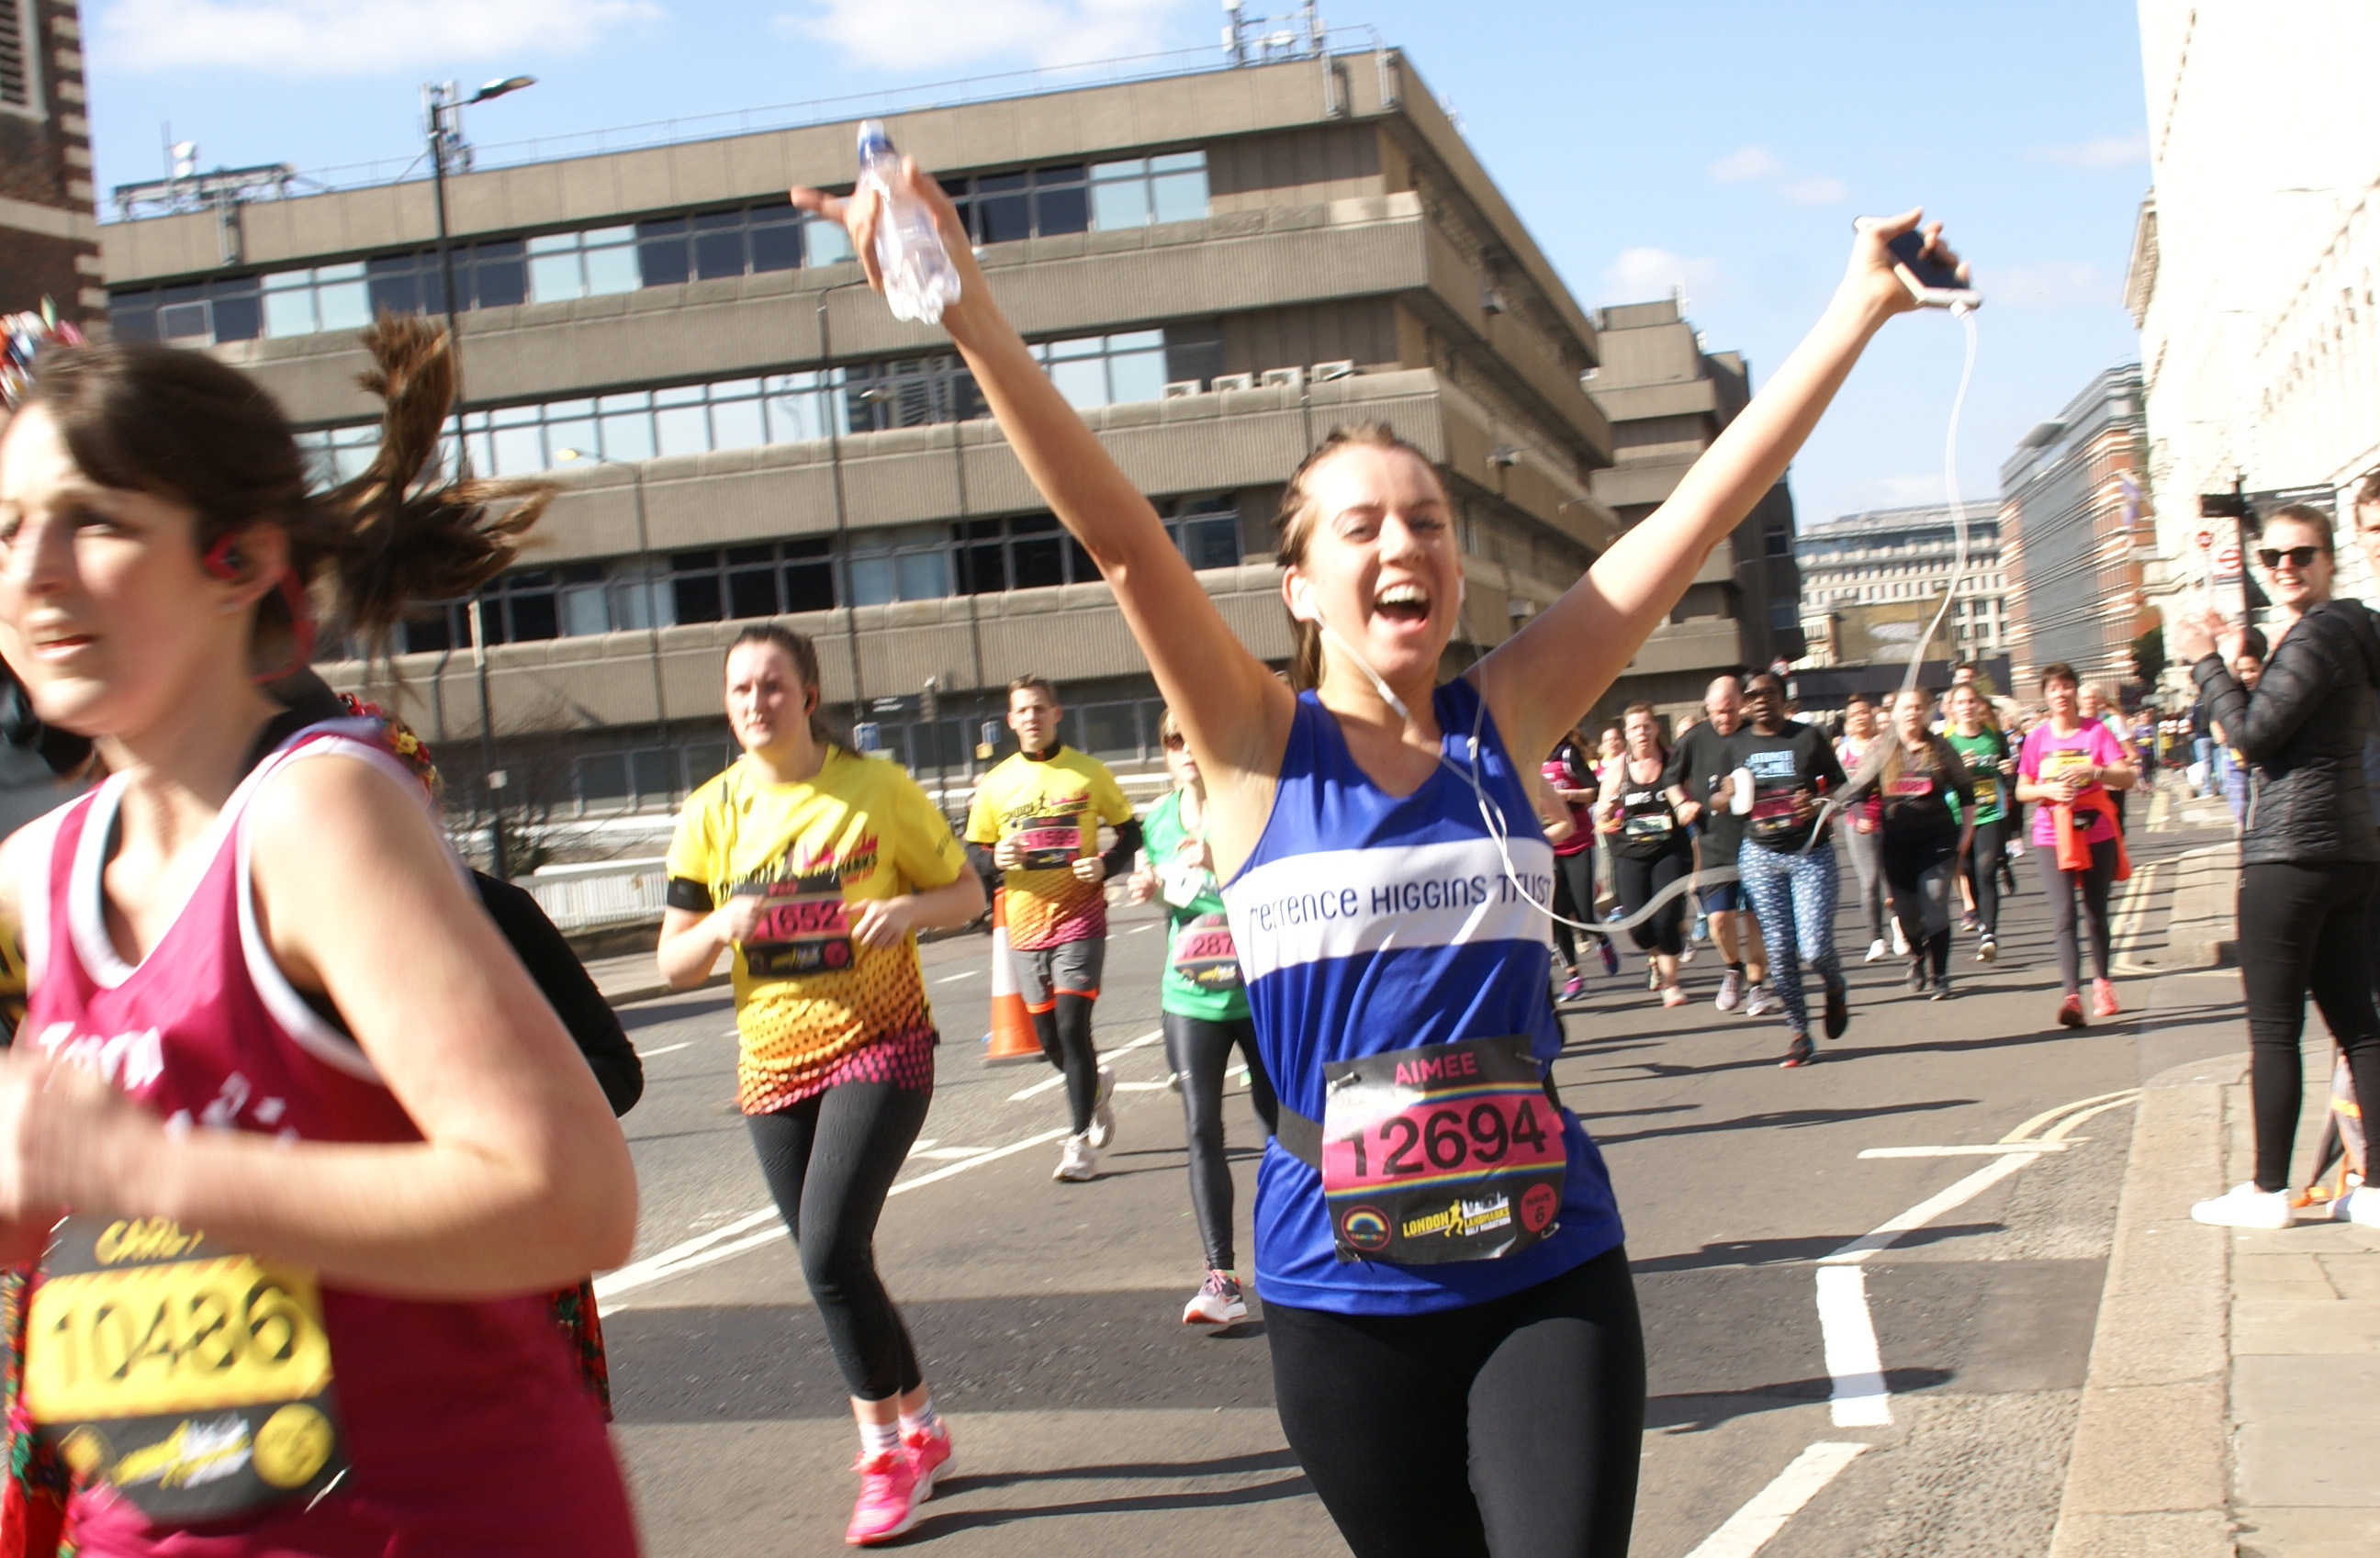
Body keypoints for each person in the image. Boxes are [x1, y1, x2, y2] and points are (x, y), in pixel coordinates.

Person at [799, 156, 1957, 1556]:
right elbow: (1117, 542)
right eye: (1363, 527)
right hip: (1338, 1289)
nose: (1405, 543)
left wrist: (1855, 307)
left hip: (1547, 1255)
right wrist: (966, 308)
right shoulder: (1246, 740)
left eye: (1429, 522)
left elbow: (1696, 512)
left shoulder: (1508, 717)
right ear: (1300, 587)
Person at [0, 319, 638, 1552]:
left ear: (236, 560)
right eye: (7, 525)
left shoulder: (318, 816)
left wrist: (146, 1171)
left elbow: (571, 1196)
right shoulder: (34, 878)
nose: (33, 573)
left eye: (95, 521)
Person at [658, 623, 984, 1542]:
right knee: (841, 1264)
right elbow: (673, 961)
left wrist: (907, 907)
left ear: (808, 693)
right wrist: (723, 924)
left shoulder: (875, 789)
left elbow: (967, 892)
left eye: (771, 685)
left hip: (880, 1040)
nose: (755, 702)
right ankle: (922, 1424)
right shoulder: (710, 811)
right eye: (739, 689)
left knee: (829, 1250)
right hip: (771, 1059)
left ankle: (883, 1458)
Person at [2178, 505, 2380, 1229]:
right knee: (2359, 1024)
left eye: (2301, 554)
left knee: (2274, 1030)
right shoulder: (2358, 631)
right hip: (2352, 848)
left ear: (2329, 560)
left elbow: (2255, 737)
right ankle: (2377, 1189)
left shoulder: (2316, 633)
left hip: (2289, 852)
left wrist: (2203, 660)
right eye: (2273, 557)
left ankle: (2267, 1193)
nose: (2285, 567)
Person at [1128, 707, 1280, 1323]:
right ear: (1164, 751)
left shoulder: (1248, 802)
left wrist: (1222, 863)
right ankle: (1221, 1277)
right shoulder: (1158, 820)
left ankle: (1308, 1247)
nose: (1186, 747)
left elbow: (1278, 883)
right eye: (1173, 739)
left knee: (1282, 1125)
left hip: (1260, 990)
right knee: (1201, 1128)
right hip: (1190, 993)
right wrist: (1151, 889)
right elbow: (1177, 898)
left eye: (1196, 733)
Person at [963, 675, 1140, 1181]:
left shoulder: (1088, 773)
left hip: (1080, 918)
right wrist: (994, 857)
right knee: (1049, 1040)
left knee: (1071, 1026)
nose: (1033, 718)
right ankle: (1095, 1087)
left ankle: (1078, 1143)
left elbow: (1130, 831)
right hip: (1024, 923)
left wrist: (1106, 865)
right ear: (1011, 721)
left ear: (1056, 713)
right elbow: (973, 854)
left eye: (1041, 708)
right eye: (1023, 711)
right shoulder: (996, 784)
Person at [1720, 672, 1851, 1066]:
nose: (1761, 701)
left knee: (1812, 947)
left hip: (1810, 853)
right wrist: (1724, 796)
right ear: (1745, 703)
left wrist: (1819, 803)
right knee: (1778, 948)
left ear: (1783, 698)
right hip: (1761, 854)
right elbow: (1715, 795)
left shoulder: (1807, 737)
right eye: (1753, 695)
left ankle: (1835, 984)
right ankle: (1799, 1032)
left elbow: (1842, 788)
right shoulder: (1736, 744)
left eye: (1769, 693)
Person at [2016, 662, 2137, 1027]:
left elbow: (2128, 776)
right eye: (2053, 688)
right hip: (2052, 832)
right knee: (2064, 914)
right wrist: (2047, 790)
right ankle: (2072, 995)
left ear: (2075, 692)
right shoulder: (2037, 738)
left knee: (2095, 912)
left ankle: (2102, 981)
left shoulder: (2096, 732)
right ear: (2046, 696)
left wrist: (2095, 772)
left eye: (2067, 687)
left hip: (2096, 828)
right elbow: (2023, 789)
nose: (2061, 694)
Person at [1841, 688, 1974, 997]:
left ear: (1927, 712)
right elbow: (1856, 793)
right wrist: (1861, 816)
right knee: (1908, 915)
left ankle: (1940, 975)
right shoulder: (1882, 750)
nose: (1913, 713)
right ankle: (1917, 955)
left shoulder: (1939, 747)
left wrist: (1967, 831)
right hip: (1897, 842)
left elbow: (1966, 791)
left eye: (1918, 707)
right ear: (1895, 713)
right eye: (1907, 708)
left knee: (1935, 901)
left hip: (1938, 837)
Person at [1665, 674, 1776, 1014]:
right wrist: (1681, 803)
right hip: (1714, 843)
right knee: (1719, 920)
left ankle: (1758, 987)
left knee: (1757, 920)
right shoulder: (1694, 739)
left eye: (1730, 711)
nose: (1724, 719)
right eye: (1717, 712)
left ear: (1742, 704)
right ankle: (1733, 967)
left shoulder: (1758, 734)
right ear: (1707, 710)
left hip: (1760, 840)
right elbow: (1671, 781)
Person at [1594, 702, 1692, 1006]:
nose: (1642, 733)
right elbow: (1599, 814)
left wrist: (1688, 806)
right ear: (1627, 734)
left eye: (1646, 726)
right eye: (1635, 728)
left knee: (1665, 919)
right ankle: (1655, 956)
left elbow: (1691, 795)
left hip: (1670, 850)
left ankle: (1671, 983)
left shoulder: (1672, 760)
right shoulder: (1618, 768)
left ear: (1656, 728)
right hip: (1630, 853)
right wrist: (1607, 809)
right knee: (1638, 927)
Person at [1543, 728, 1617, 998]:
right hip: (1548, 846)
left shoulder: (1567, 755)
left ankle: (1602, 938)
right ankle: (1573, 975)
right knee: (1557, 914)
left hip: (1577, 842)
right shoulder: (1530, 759)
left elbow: (1595, 792)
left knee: (1584, 911)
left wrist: (1566, 797)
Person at [1943, 681, 2014, 961]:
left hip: (1990, 813)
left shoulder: (1994, 737)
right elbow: (1938, 780)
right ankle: (1978, 917)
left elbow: (2007, 770)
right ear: (1953, 709)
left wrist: (2009, 771)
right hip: (1959, 816)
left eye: (1971, 701)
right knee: (1969, 872)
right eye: (1961, 703)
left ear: (1979, 705)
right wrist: (1959, 769)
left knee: (1986, 871)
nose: (1967, 707)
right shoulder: (1947, 743)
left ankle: (1989, 934)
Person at [1836, 692, 1891, 961]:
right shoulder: (1842, 752)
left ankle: (1900, 925)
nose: (1860, 718)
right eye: (1854, 714)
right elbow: (1839, 789)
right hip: (1857, 822)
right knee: (1870, 880)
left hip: (1890, 815)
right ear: (1848, 721)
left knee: (1893, 879)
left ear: (1872, 715)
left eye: (1864, 713)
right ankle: (1877, 938)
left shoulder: (1885, 745)